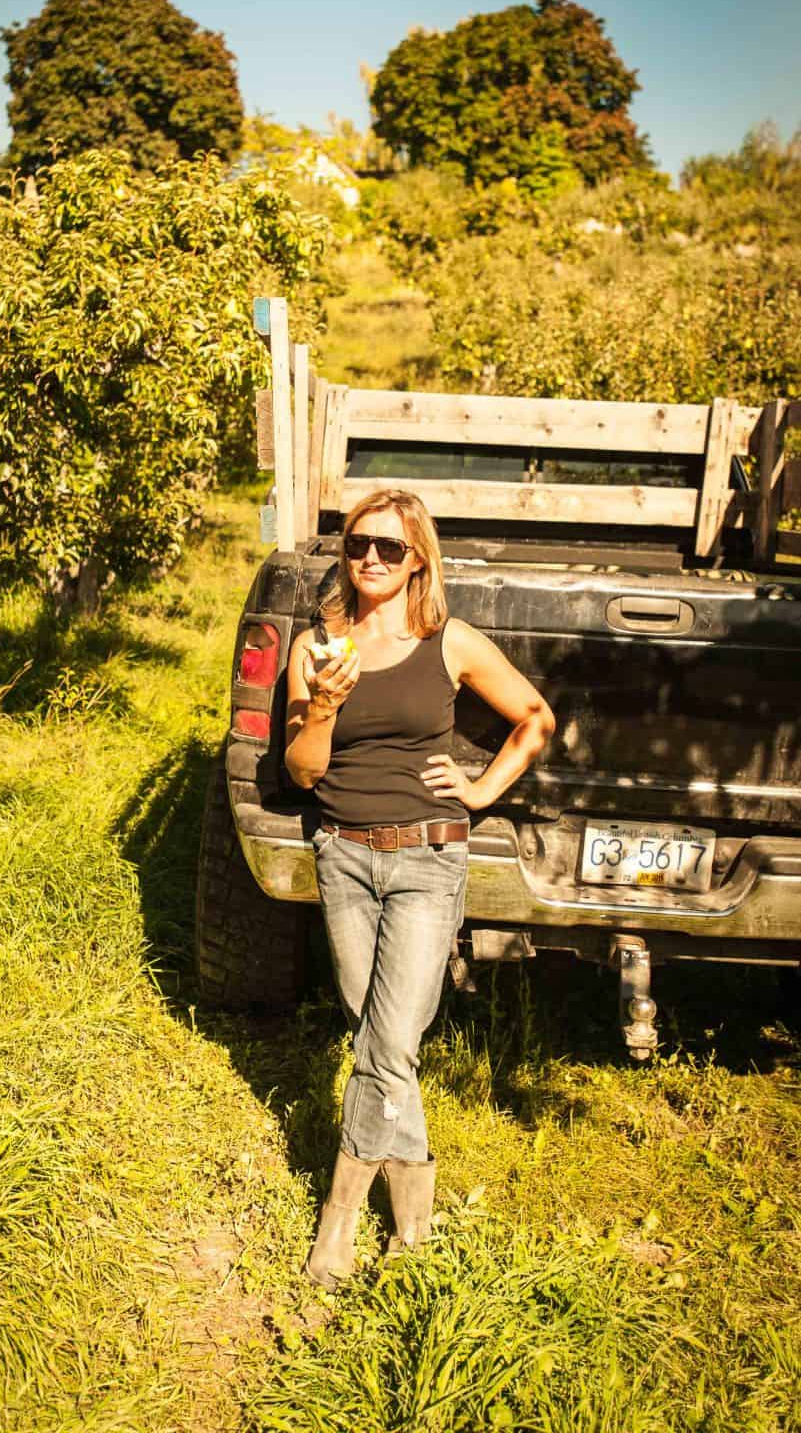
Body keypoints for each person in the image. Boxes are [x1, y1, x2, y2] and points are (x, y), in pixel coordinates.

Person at [285, 487, 555, 1289]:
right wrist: (324, 709)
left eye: (389, 549)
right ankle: (413, 1225)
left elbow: (534, 718)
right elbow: (302, 771)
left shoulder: (450, 643)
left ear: (417, 562)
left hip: (427, 860)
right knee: (382, 1044)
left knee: (387, 1041)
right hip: (342, 855)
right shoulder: (318, 647)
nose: (370, 558)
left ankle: (336, 1223)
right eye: (358, 544)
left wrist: (479, 790)